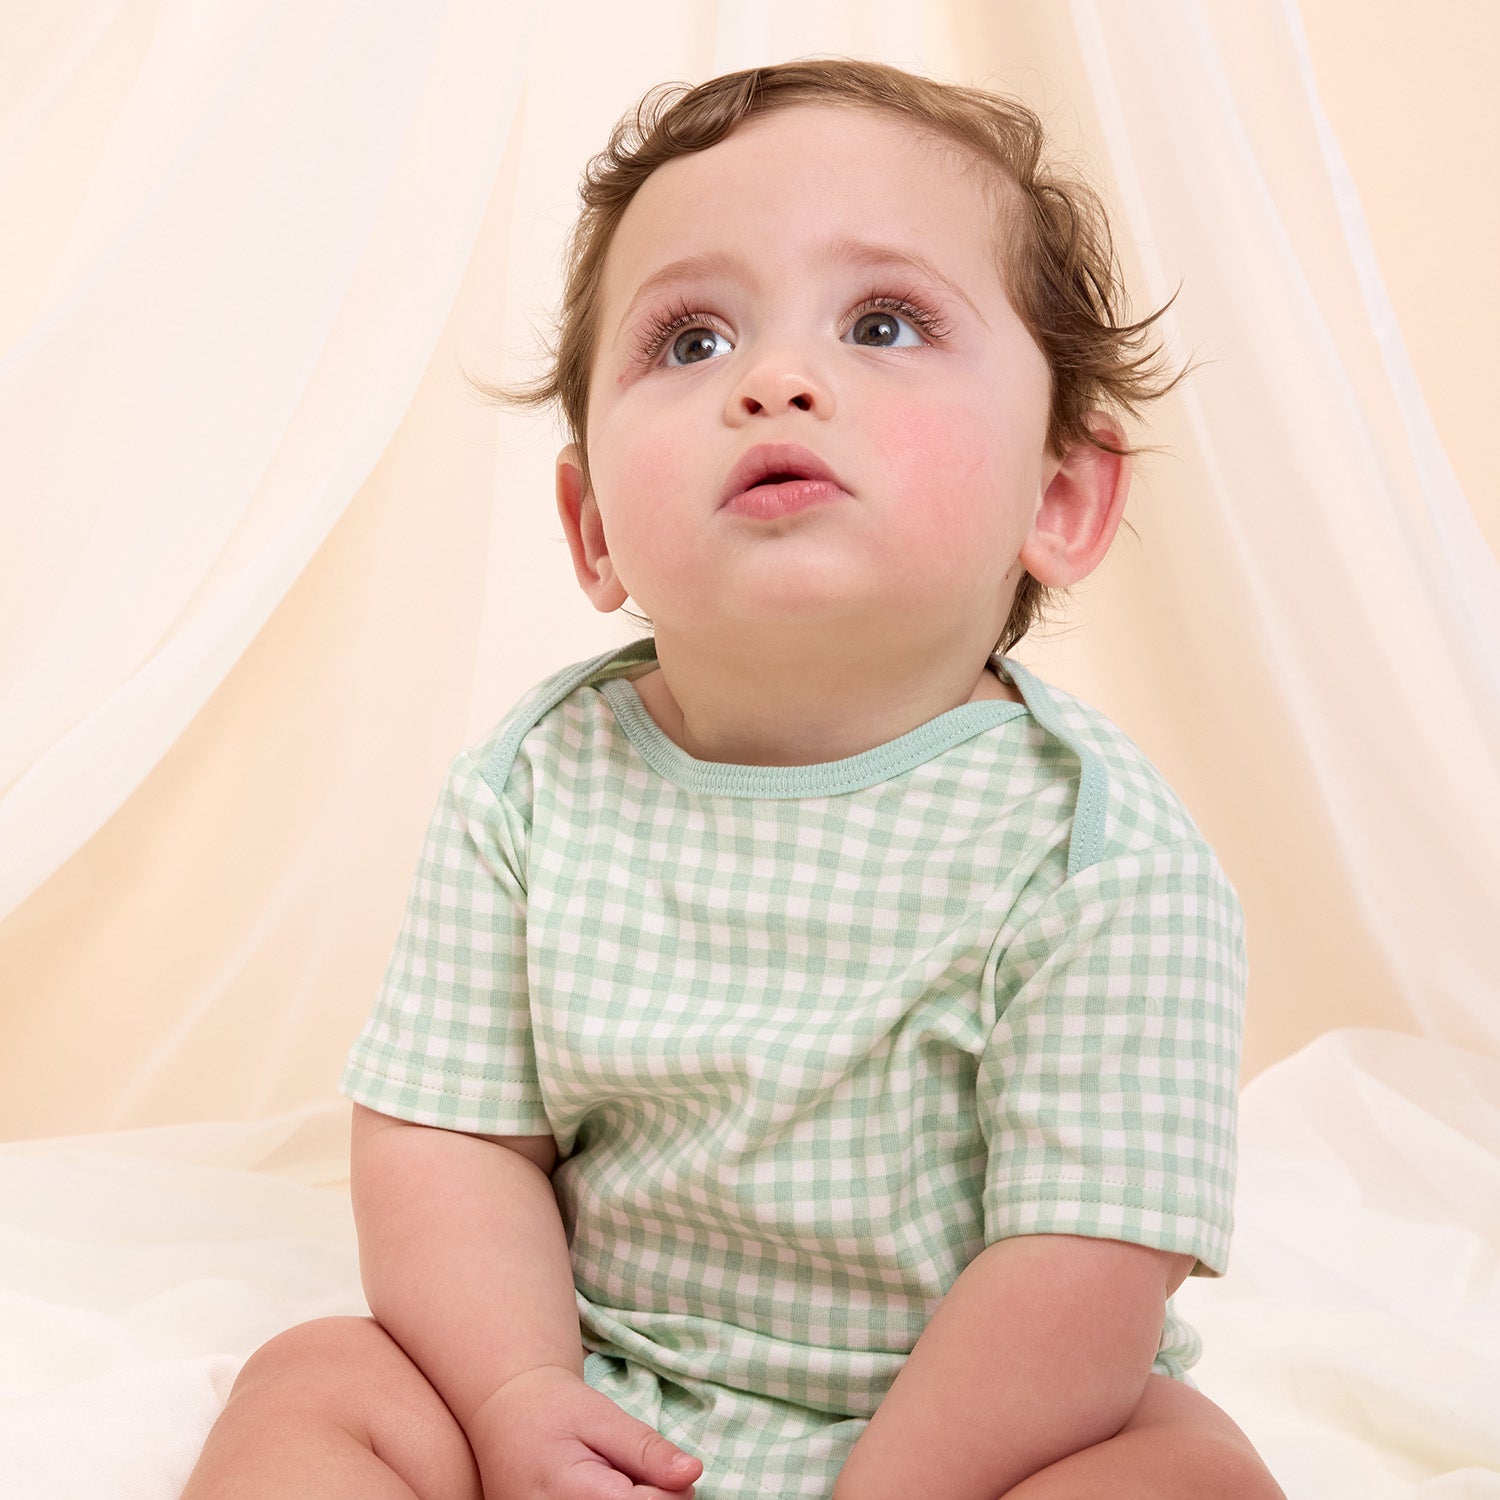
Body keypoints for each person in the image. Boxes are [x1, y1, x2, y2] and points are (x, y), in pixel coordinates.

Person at [183, 58, 1285, 1500]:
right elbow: (451, 1141)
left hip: (974, 1429)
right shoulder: (532, 788)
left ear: (1059, 498)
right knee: (318, 1377)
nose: (776, 377)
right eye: (692, 339)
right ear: (590, 530)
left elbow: (1082, 1264)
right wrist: (519, 1395)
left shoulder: (1099, 855)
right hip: (601, 1379)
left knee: (1185, 1472)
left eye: (884, 322)